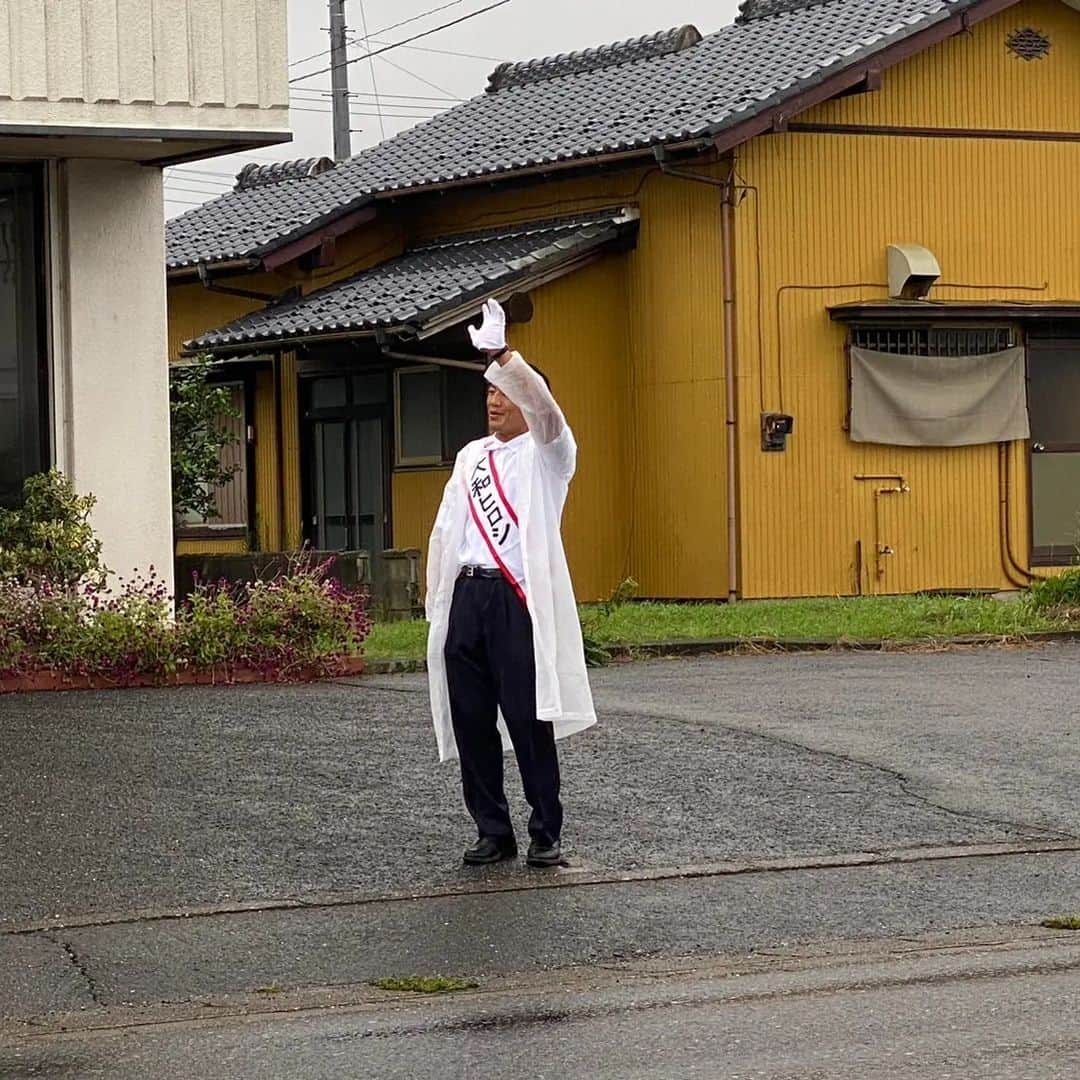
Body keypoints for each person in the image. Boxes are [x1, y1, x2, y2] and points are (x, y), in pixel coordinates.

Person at [425, 298, 597, 869]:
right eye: (489, 391)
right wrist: (439, 602)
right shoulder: (470, 456)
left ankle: (545, 831)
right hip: (469, 596)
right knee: (471, 718)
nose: (494, 400)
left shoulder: (550, 455)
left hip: (515, 600)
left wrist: (501, 354)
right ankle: (491, 830)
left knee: (527, 718)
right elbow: (447, 528)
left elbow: (549, 415)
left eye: (505, 390)